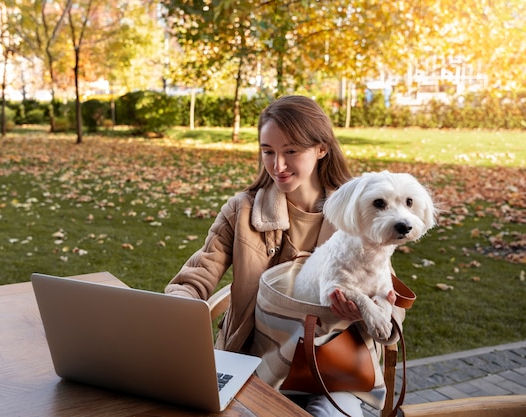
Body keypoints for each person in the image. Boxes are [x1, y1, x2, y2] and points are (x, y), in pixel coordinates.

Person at [165, 95, 401, 417]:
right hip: (257, 364)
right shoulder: (242, 210)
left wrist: (368, 310)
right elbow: (199, 274)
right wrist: (175, 307)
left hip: (338, 369)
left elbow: (388, 295)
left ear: (321, 148)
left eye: (290, 151)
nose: (278, 165)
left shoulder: (359, 212)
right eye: (268, 151)